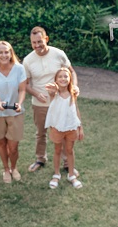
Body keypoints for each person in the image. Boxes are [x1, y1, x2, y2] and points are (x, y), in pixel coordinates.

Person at [23, 26, 78, 173]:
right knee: (41, 133)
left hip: (61, 102)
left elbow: (72, 72)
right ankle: (40, 159)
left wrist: (74, 87)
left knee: (64, 131)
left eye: (39, 41)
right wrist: (36, 94)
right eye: (34, 43)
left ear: (46, 39)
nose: (37, 45)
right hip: (40, 104)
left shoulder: (58, 54)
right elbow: (25, 85)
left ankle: (67, 163)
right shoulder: (28, 60)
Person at [0, 41, 27, 184]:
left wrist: (19, 103)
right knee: (2, 143)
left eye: (6, 52)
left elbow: (22, 90)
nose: (4, 55)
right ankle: (6, 169)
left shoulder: (19, 69)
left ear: (11, 53)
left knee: (13, 147)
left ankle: (14, 167)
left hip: (15, 113)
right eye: (1, 52)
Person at [45, 67, 84, 189]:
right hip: (57, 127)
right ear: (56, 79)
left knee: (70, 150)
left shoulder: (73, 93)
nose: (63, 79)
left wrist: (80, 127)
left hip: (71, 127)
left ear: (70, 79)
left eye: (66, 76)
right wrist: (53, 89)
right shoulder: (54, 93)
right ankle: (56, 174)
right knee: (57, 150)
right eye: (60, 77)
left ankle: (71, 175)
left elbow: (76, 109)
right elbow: (51, 91)